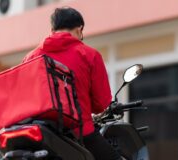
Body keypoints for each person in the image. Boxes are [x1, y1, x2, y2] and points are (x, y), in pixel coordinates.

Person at [22, 7, 121, 160]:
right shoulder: (90, 55)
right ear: (80, 29)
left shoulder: (30, 57)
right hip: (78, 132)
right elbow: (100, 103)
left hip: (40, 132)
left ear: (52, 29)